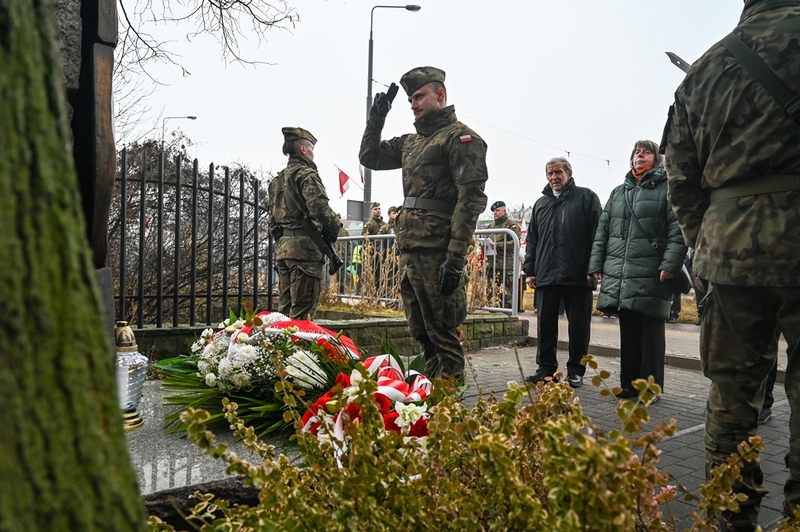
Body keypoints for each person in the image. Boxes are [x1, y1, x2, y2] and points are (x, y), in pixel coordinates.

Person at [663, 0, 800, 527]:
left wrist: (707, 243)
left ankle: (731, 513)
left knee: (731, 395)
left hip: (729, 250)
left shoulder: (703, 69)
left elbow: (682, 178)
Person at [359, 66, 488, 380]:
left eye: (419, 96)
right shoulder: (410, 143)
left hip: (438, 251)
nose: (413, 103)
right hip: (411, 249)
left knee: (442, 332)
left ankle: (451, 409)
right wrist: (377, 117)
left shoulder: (461, 138)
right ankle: (430, 398)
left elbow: (469, 200)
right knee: (420, 331)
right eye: (409, 99)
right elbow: (369, 156)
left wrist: (456, 258)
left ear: (440, 95)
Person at [589, 140, 687, 400]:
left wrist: (670, 263)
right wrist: (596, 264)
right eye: (636, 152)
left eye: (646, 152)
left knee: (652, 332)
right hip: (622, 273)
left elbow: (678, 231)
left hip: (652, 270)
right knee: (629, 331)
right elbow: (603, 232)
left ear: (657, 159)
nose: (639, 155)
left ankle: (651, 388)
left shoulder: (668, 188)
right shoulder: (619, 192)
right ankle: (629, 384)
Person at [523, 157, 602, 388]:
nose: (554, 177)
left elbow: (597, 235)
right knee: (545, 325)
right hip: (546, 274)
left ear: (569, 173)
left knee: (578, 326)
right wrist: (530, 270)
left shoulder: (586, 198)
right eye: (549, 173)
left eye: (558, 172)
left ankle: (576, 371)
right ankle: (546, 369)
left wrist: (594, 266)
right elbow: (533, 240)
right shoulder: (541, 204)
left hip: (578, 275)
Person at [267, 127, 341, 320]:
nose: (312, 154)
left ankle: (282, 350)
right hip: (305, 253)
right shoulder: (306, 175)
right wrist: (335, 227)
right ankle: (299, 350)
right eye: (311, 149)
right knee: (302, 316)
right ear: (303, 150)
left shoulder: (277, 180)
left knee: (284, 315)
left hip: (283, 251)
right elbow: (319, 209)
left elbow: (272, 219)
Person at [486, 200, 521, 309]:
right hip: (492, 265)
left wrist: (498, 245)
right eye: (494, 211)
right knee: (491, 292)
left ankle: (507, 315)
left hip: (506, 265)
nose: (495, 213)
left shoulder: (511, 225)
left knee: (506, 293)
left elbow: (515, 243)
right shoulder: (490, 226)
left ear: (504, 211)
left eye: (497, 210)